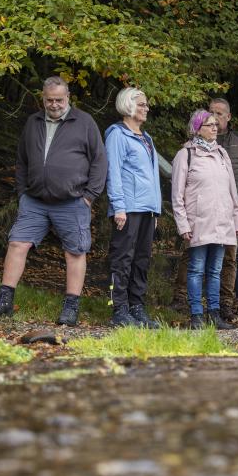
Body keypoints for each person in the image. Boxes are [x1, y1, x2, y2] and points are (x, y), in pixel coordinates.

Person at [0, 76, 107, 326]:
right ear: (43, 99)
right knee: (17, 244)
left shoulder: (84, 122)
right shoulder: (33, 121)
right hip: (35, 201)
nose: (55, 104)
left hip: (73, 201)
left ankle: (71, 308)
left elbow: (99, 161)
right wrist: (22, 193)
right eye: (50, 100)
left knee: (75, 252)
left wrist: (89, 197)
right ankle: (5, 300)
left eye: (59, 99)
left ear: (68, 97)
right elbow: (22, 160)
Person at [173, 110, 238, 330]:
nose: (215, 128)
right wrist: (182, 224)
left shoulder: (222, 154)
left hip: (222, 222)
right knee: (196, 269)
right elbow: (177, 195)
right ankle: (196, 315)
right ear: (197, 128)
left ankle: (214, 313)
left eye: (215, 124)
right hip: (198, 223)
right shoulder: (186, 155)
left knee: (215, 270)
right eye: (209, 125)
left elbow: (232, 191)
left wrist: (236, 222)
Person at [103, 87, 162, 328]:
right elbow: (113, 173)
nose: (146, 108)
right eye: (141, 104)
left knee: (142, 259)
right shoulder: (117, 134)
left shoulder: (146, 138)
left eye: (146, 104)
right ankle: (119, 309)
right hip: (127, 208)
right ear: (127, 106)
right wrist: (118, 207)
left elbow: (153, 176)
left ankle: (137, 306)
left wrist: (156, 210)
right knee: (122, 259)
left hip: (147, 209)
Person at [208, 98, 238, 319]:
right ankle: (191, 302)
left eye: (219, 113)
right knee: (196, 257)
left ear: (228, 117)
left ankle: (226, 304)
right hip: (206, 209)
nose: (215, 117)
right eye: (211, 112)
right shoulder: (201, 140)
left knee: (230, 258)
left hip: (232, 210)